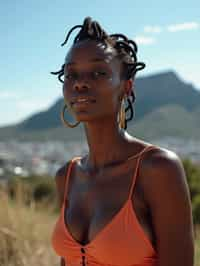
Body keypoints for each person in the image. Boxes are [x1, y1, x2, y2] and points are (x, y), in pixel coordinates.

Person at [51, 17, 194, 266]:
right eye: (71, 73)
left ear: (126, 87)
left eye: (99, 72)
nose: (80, 82)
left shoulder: (158, 169)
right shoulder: (67, 176)